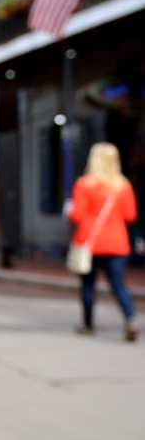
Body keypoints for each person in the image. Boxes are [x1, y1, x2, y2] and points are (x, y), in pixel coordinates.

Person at [69, 142, 138, 342]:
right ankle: (130, 318)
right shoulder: (123, 186)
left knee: (88, 285)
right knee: (118, 284)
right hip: (117, 242)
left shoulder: (84, 184)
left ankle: (88, 325)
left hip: (90, 242)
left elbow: (77, 215)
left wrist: (70, 210)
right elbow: (130, 215)